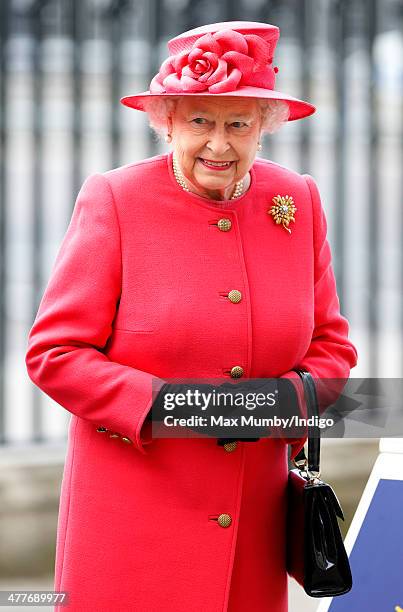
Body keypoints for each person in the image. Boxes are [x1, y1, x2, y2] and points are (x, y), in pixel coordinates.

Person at [25, 20, 358, 612]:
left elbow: (332, 346)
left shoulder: (297, 200)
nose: (219, 144)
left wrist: (285, 402)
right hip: (135, 520)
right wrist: (164, 406)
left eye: (239, 123)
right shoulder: (116, 200)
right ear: (169, 121)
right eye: (200, 121)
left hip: (253, 524)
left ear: (265, 128)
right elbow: (54, 354)